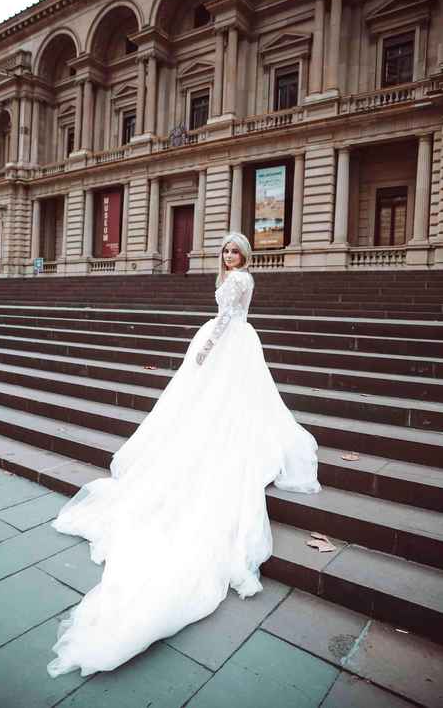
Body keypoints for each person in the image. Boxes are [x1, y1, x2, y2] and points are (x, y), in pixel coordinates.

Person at [46, 231, 321, 679]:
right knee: (222, 404)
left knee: (218, 402)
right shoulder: (239, 277)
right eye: (226, 251)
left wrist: (205, 350)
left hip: (227, 343)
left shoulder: (238, 281)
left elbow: (227, 320)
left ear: (245, 256)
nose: (230, 256)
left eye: (236, 251)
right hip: (235, 343)